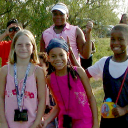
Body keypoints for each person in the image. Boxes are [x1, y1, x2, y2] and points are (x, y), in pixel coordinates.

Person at [41, 38, 99, 128]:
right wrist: (46, 121)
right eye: (53, 56)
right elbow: (59, 105)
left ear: (67, 55)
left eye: (61, 55)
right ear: (48, 58)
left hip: (84, 121)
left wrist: (95, 123)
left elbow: (91, 97)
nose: (58, 59)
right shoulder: (50, 79)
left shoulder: (78, 72)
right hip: (65, 122)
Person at [0, 29, 46, 128]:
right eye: (19, 45)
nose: (23, 48)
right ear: (14, 48)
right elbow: (1, 97)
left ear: (33, 48)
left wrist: (37, 122)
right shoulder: (4, 70)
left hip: (31, 124)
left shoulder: (38, 71)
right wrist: (2, 122)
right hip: (8, 124)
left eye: (27, 45)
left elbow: (42, 99)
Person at [85, 24, 128, 128]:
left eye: (120, 39)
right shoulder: (104, 62)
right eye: (112, 39)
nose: (115, 43)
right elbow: (83, 75)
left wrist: (124, 109)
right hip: (107, 121)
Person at [38, 52, 57, 128]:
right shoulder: (29, 85)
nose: (37, 68)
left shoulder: (53, 83)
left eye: (40, 66)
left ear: (47, 66)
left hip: (51, 120)